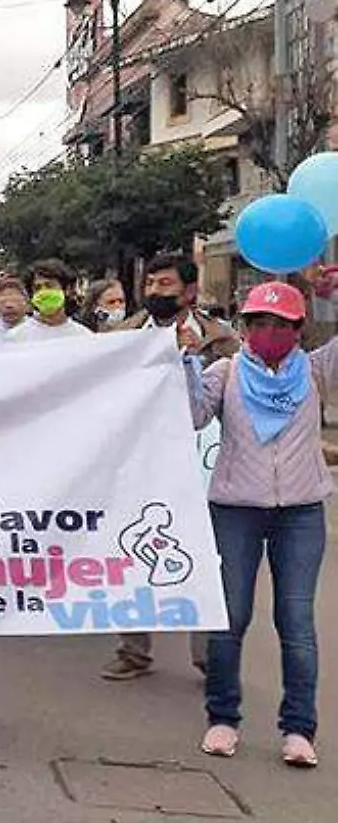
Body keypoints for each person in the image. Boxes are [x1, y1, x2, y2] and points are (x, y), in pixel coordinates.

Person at [187, 282, 330, 767]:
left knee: (295, 621)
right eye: (259, 323)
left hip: (301, 512)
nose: (269, 332)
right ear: (245, 327)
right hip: (236, 509)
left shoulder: (314, 370)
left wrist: (334, 295)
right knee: (229, 617)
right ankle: (223, 718)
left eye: (281, 325)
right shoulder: (224, 372)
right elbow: (190, 414)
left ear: (298, 329)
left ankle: (298, 728)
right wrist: (184, 362)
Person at [103, 252, 237, 682]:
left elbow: (234, 398)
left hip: (200, 461)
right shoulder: (121, 335)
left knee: (204, 555)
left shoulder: (221, 340)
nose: (155, 292)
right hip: (138, 460)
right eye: (151, 285)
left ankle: (208, 656)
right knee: (133, 547)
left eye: (165, 285)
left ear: (190, 291)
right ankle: (133, 649)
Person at [3, 259, 91, 343]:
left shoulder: (83, 336)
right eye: (37, 288)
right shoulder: (15, 337)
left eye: (49, 286)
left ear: (67, 290)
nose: (43, 292)